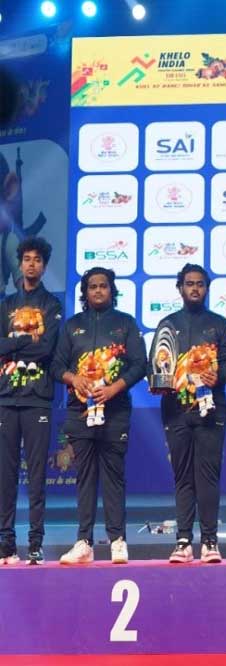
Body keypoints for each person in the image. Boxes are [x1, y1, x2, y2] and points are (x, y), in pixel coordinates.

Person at [52, 267, 146, 564]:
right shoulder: (72, 326)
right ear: (85, 292)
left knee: (114, 477)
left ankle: (118, 540)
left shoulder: (125, 323)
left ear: (111, 290)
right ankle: (84, 542)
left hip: (115, 412)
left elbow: (139, 364)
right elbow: (56, 366)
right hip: (80, 412)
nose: (98, 291)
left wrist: (115, 388)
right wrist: (73, 379)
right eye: (92, 286)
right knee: (85, 477)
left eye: (103, 286)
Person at [153, 264, 226, 564]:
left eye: (200, 284)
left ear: (207, 288)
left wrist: (219, 375)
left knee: (208, 477)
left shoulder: (220, 324)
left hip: (210, 411)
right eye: (189, 284)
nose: (195, 289)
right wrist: (158, 382)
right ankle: (184, 540)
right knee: (183, 477)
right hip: (175, 411)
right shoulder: (167, 325)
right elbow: (157, 366)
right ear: (180, 288)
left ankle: (210, 541)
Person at [0, 237, 62, 565]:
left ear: (44, 266)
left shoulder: (51, 305)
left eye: (37, 259)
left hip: (38, 399)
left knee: (37, 476)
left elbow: (47, 349)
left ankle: (35, 543)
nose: (31, 264)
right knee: (5, 475)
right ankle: (6, 543)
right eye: (27, 259)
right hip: (6, 397)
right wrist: (24, 342)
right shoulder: (6, 305)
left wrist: (13, 343)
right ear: (20, 263)